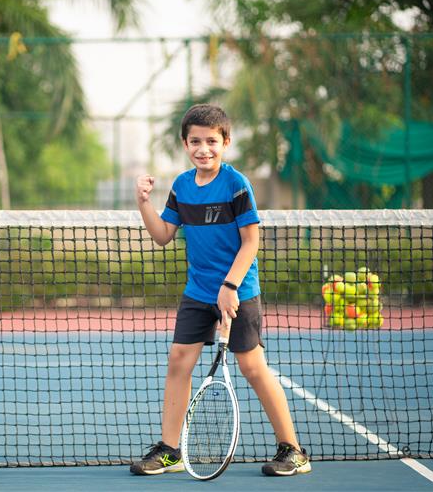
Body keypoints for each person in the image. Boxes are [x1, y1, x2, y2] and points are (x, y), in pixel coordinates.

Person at [129, 104, 311, 477]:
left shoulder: (236, 185)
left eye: (211, 141)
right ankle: (170, 450)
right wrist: (143, 203)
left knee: (252, 366)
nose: (203, 149)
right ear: (185, 143)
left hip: (239, 291)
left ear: (225, 142)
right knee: (179, 360)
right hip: (198, 291)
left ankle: (293, 450)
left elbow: (251, 241)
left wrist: (230, 286)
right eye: (195, 141)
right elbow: (163, 236)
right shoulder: (181, 186)